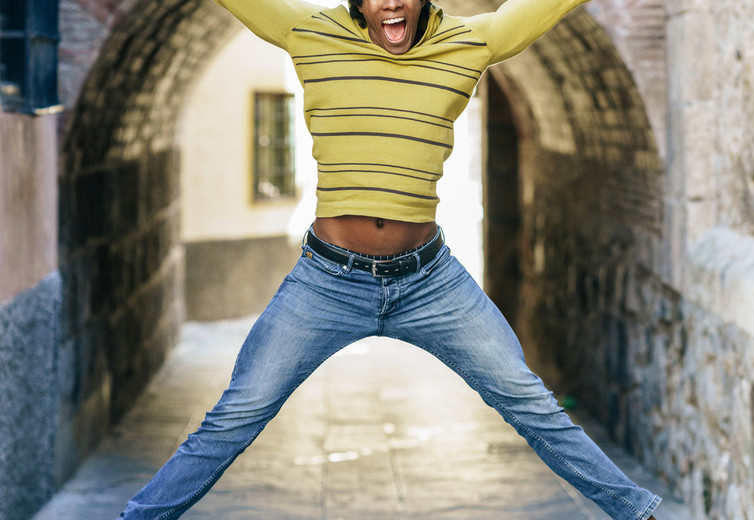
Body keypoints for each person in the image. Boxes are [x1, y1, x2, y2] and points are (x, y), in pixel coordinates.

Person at [117, 0, 662, 518]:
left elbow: (539, 9)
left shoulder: (469, 42)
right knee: (235, 415)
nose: (392, 6)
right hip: (327, 280)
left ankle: (636, 513)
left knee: (531, 402)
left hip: (430, 280)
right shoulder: (308, 34)